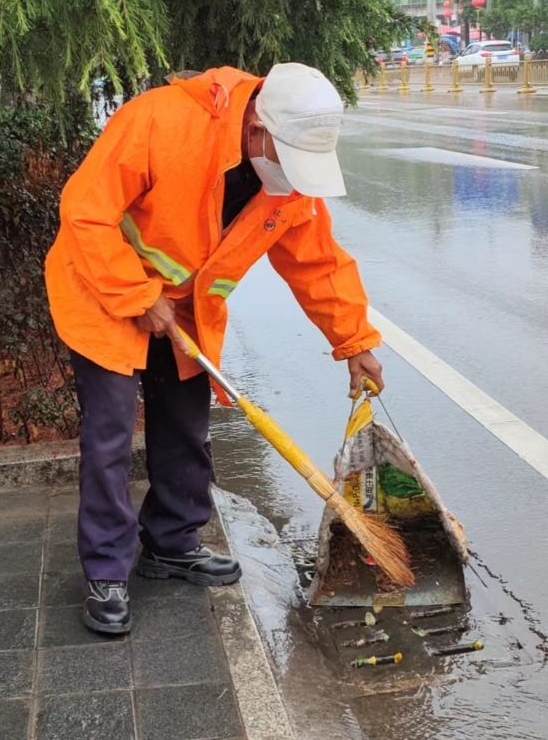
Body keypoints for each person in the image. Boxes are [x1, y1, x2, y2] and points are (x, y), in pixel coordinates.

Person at [45, 63, 385, 634]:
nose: (294, 175)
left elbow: (318, 262)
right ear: (256, 127)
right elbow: (85, 212)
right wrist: (135, 294)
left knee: (185, 424)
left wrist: (354, 342)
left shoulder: (287, 182)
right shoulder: (161, 121)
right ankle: (106, 570)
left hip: (180, 308)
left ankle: (172, 545)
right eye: (287, 156)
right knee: (109, 435)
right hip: (103, 287)